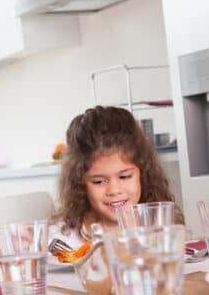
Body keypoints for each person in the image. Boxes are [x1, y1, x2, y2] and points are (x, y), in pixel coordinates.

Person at [52, 106, 182, 247]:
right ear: (79, 183)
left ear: (143, 174)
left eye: (125, 177)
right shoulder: (64, 238)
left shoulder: (161, 224)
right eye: (99, 181)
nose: (114, 190)